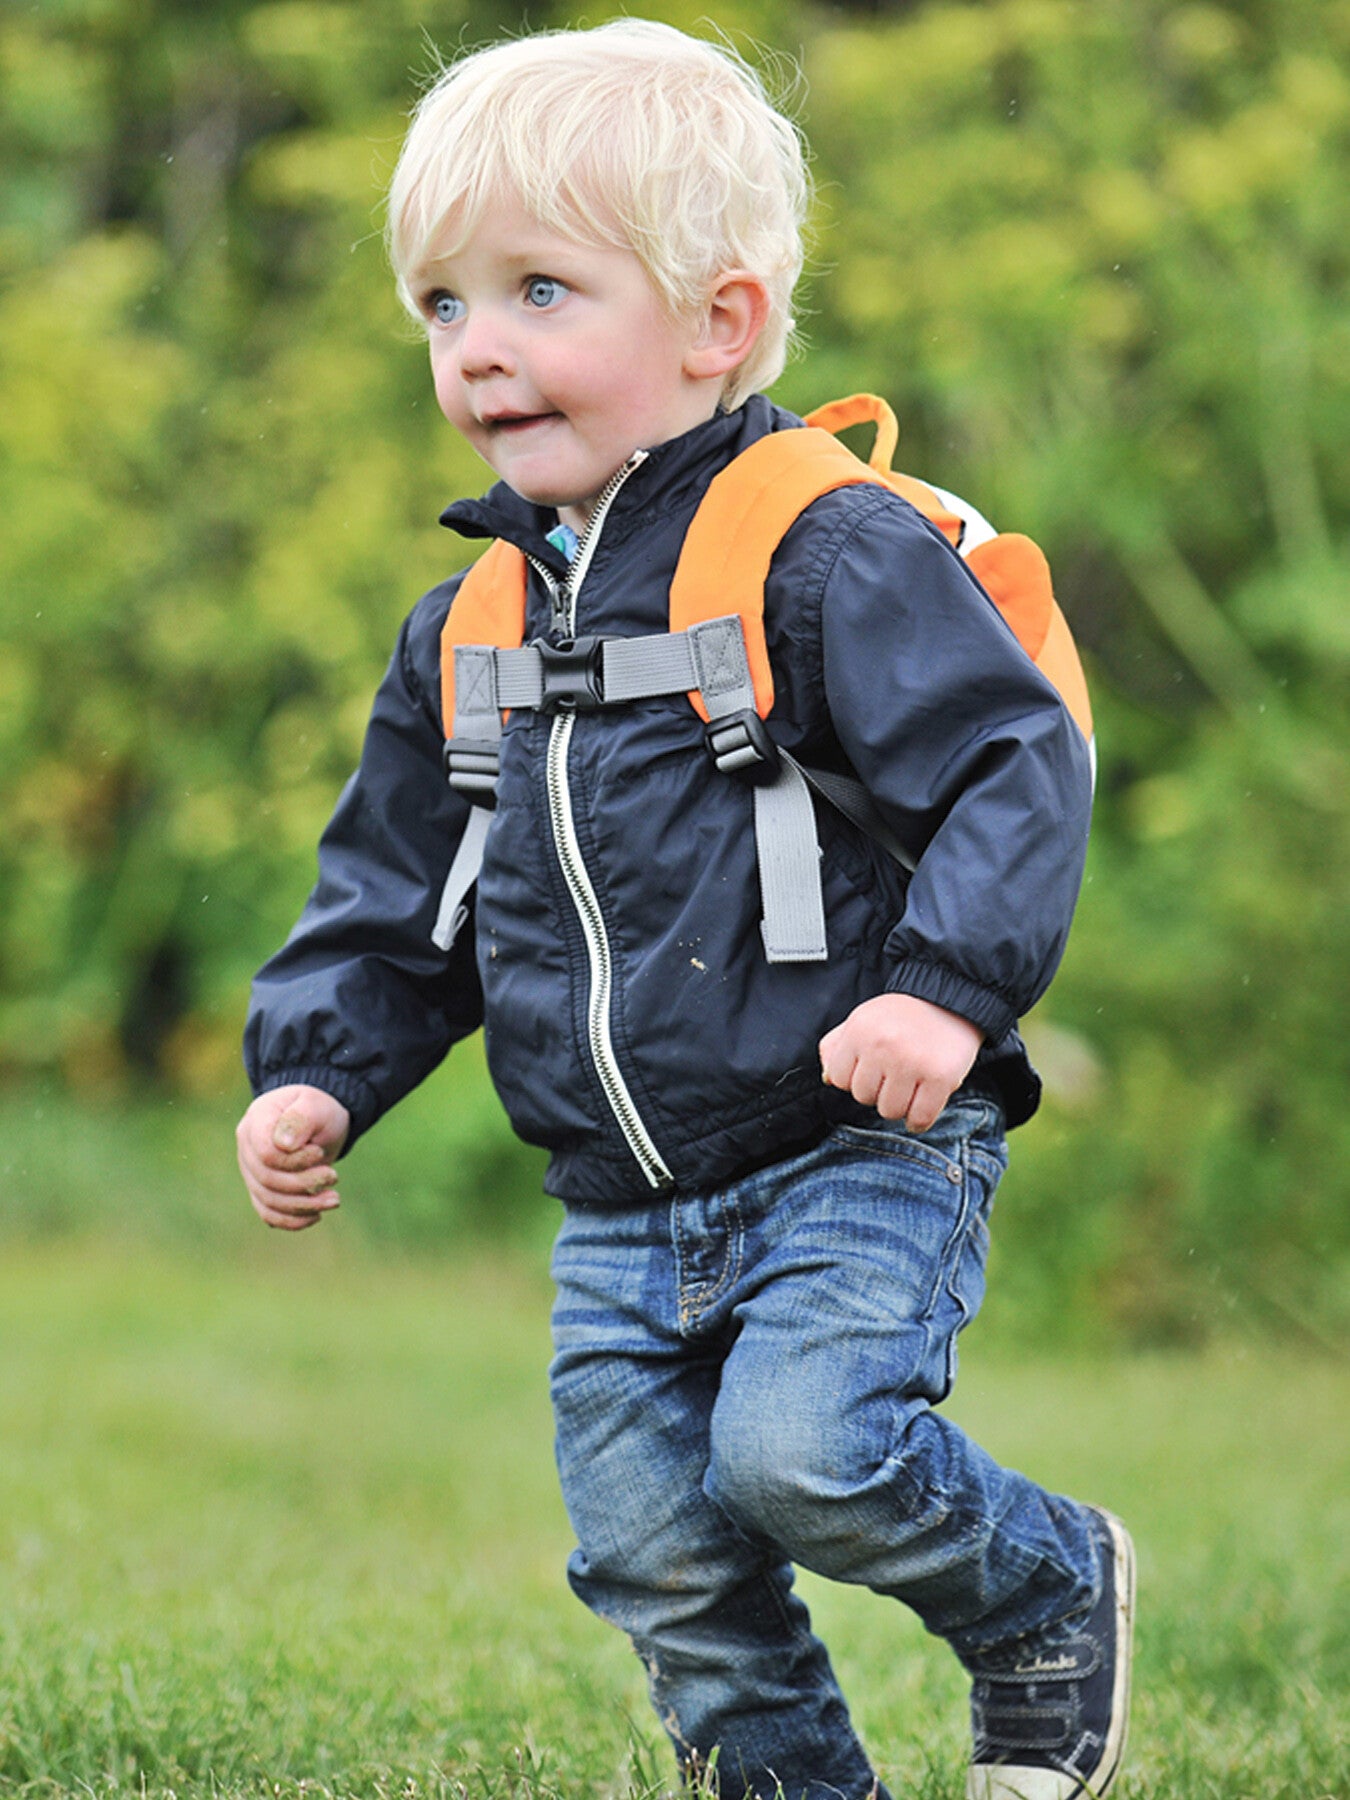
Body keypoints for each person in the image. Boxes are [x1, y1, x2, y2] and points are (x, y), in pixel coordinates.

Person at [235, 20, 1133, 1800]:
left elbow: (1008, 767)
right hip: (623, 1198)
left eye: (539, 291)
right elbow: (402, 897)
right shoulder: (470, 631)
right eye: (441, 306)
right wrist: (319, 1067)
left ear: (716, 325)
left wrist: (945, 991)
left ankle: (1041, 1588)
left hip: (853, 1135)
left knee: (808, 1457)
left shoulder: (821, 551)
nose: (479, 346)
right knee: (654, 1548)